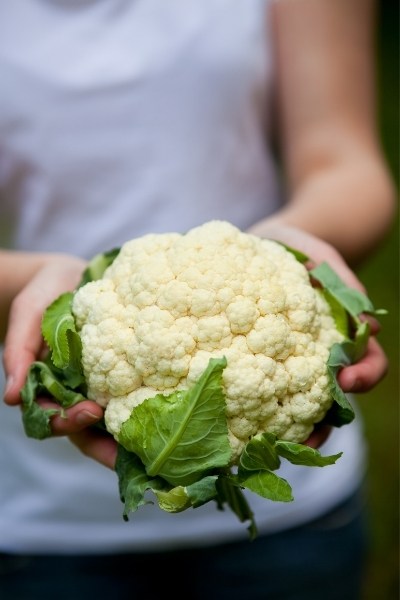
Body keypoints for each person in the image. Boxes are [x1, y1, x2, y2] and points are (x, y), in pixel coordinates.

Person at [0, 1, 395, 599]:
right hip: (39, 521)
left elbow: (345, 161)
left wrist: (289, 247)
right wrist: (29, 283)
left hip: (292, 530)